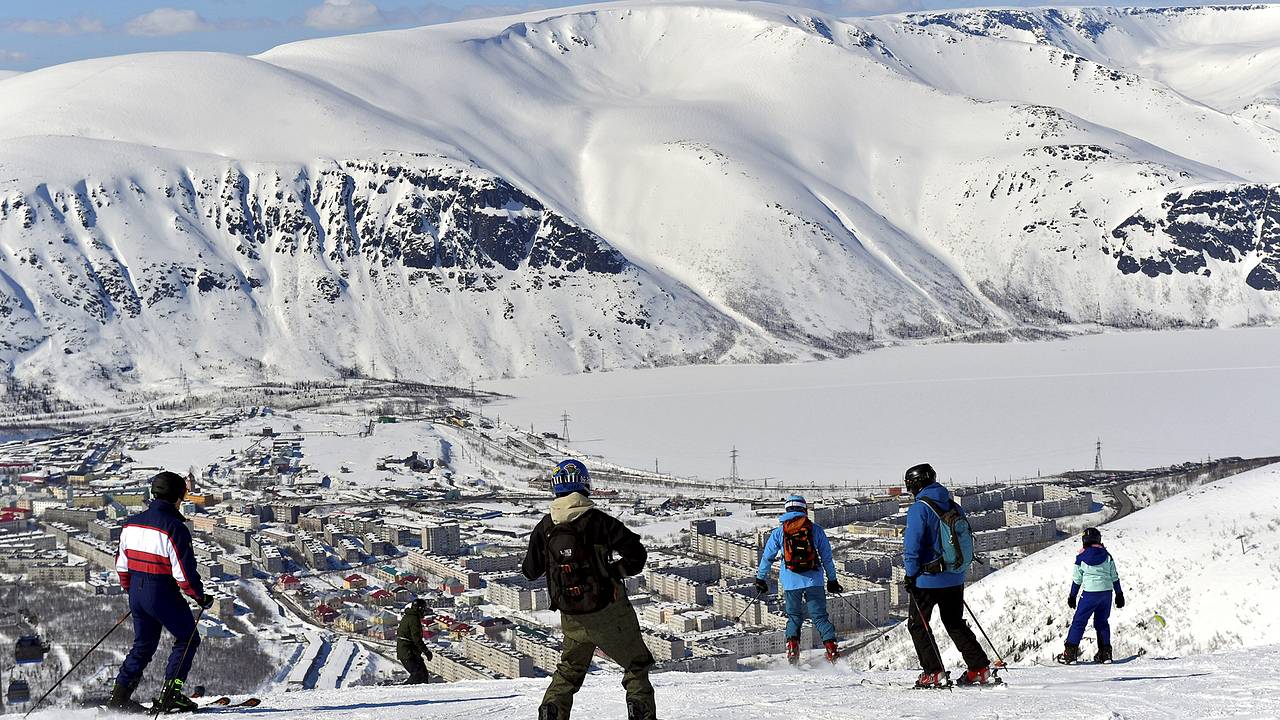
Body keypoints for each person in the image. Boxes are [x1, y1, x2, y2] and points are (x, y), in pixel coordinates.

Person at [521, 459, 654, 720]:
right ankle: (641, 715)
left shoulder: (545, 527)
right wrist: (613, 572)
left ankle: (551, 714)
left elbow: (530, 571)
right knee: (636, 665)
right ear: (585, 486)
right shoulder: (599, 522)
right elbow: (636, 555)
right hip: (609, 610)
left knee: (569, 670)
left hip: (571, 614)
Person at [108, 471, 212, 714]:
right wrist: (199, 597)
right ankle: (170, 695)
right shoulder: (174, 527)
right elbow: (183, 573)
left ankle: (119, 697)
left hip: (136, 590)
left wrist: (131, 591)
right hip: (161, 591)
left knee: (143, 644)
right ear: (178, 496)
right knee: (188, 639)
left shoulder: (130, 523)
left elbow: (121, 564)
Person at [902, 463, 992, 687]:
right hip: (955, 576)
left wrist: (910, 574)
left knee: (917, 624)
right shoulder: (953, 505)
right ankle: (979, 668)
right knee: (954, 622)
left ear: (914, 484)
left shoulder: (919, 508)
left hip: (926, 579)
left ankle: (933, 672)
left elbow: (911, 545)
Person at [754, 494, 842, 664]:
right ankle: (831, 651)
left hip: (790, 582)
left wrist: (760, 578)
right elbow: (827, 558)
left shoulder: (779, 532)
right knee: (820, 618)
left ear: (786, 510)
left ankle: (793, 649)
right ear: (804, 510)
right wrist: (832, 580)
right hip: (814, 581)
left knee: (794, 617)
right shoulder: (816, 530)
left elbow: (767, 557)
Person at [1057, 527, 1124, 664]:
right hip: (1106, 594)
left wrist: (1072, 596)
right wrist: (1119, 594)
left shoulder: (1081, 558)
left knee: (1079, 622)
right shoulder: (1107, 556)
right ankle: (1105, 654)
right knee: (1102, 622)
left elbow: (1077, 580)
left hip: (1089, 595)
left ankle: (1069, 654)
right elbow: (1114, 577)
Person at [396, 599, 434, 683]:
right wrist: (426, 651)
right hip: (407, 652)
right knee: (417, 675)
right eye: (423, 609)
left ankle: (423, 694)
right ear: (419, 609)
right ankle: (402, 692)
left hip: (410, 651)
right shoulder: (413, 619)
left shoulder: (410, 616)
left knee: (423, 675)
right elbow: (417, 639)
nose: (424, 611)